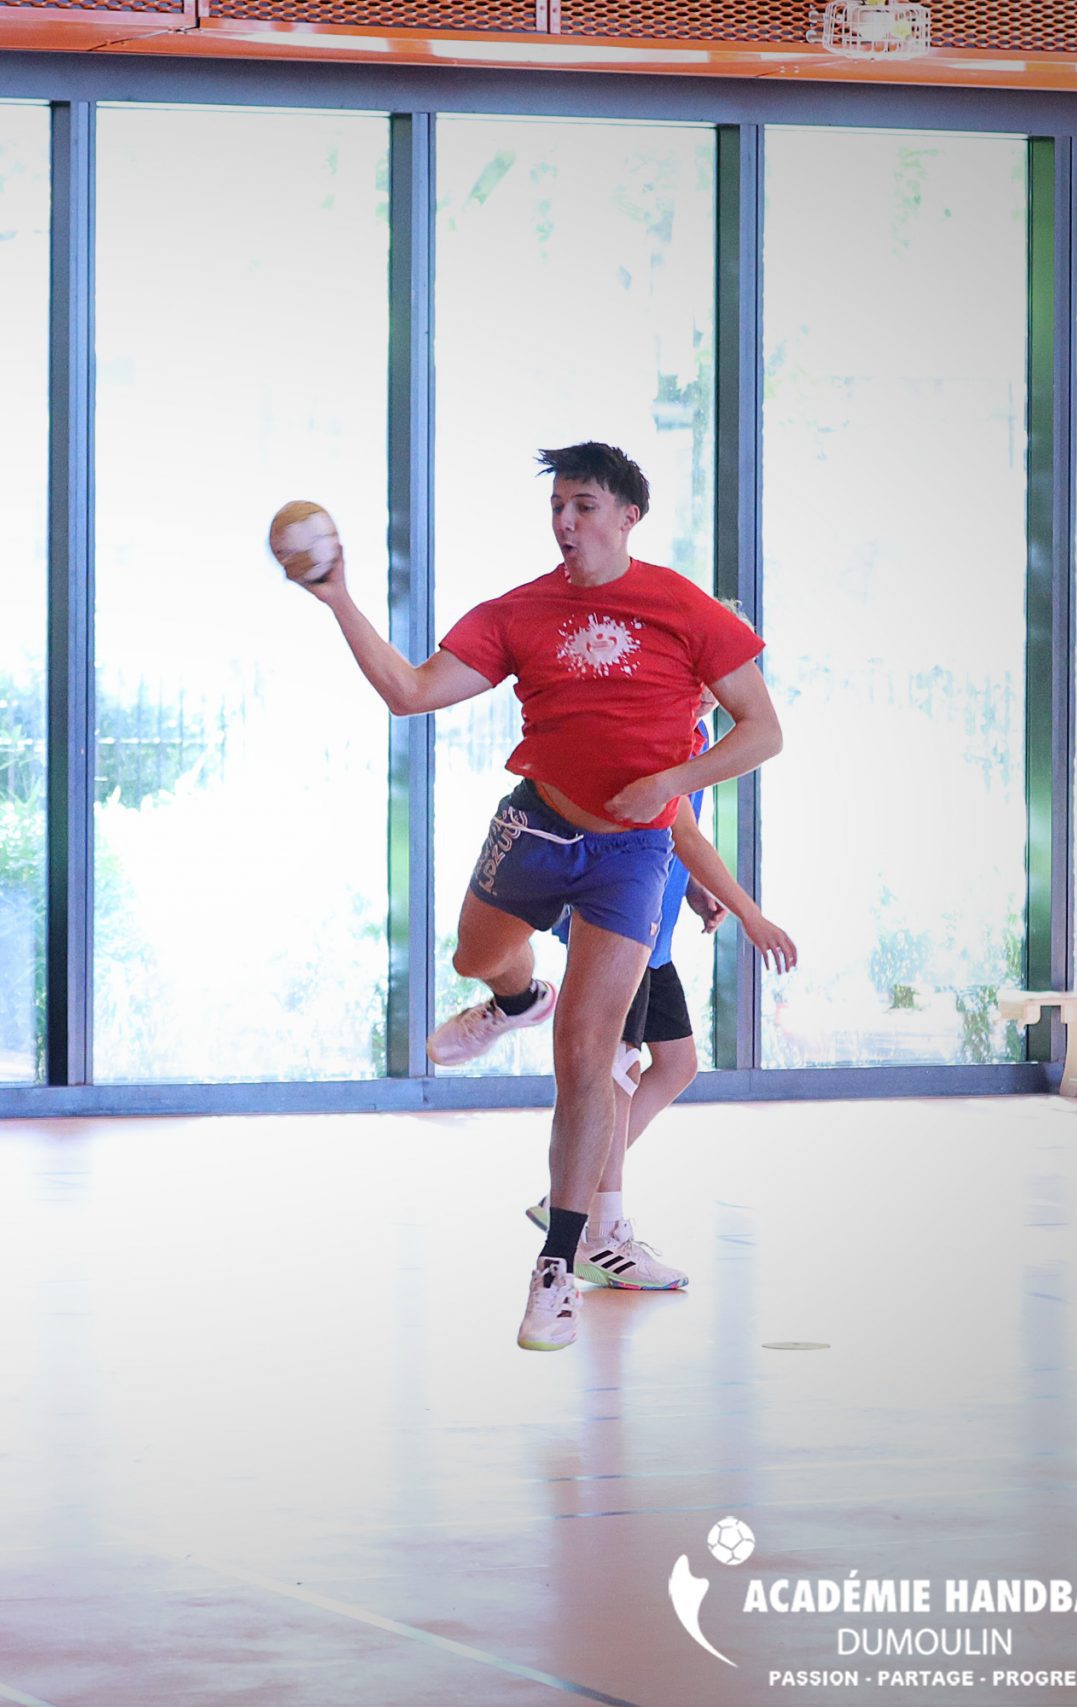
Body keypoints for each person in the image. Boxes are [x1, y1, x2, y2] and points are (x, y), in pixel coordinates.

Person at [301, 441, 781, 1351]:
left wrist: (670, 784)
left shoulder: (687, 609)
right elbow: (409, 692)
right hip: (537, 825)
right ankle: (516, 998)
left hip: (631, 854)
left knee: (589, 1054)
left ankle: (559, 1263)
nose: (566, 521)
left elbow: (762, 731)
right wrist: (339, 599)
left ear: (629, 515)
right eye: (558, 505)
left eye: (584, 505)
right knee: (474, 955)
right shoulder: (520, 611)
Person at [525, 683, 800, 1291]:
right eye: (699, 679)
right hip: (621, 929)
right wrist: (752, 916)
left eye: (718, 683)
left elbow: (673, 833)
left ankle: (570, 1190)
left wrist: (694, 887)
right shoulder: (658, 735)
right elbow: (684, 834)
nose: (709, 693)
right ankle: (602, 1232)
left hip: (657, 934)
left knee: (676, 1064)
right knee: (616, 1076)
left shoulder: (696, 737)